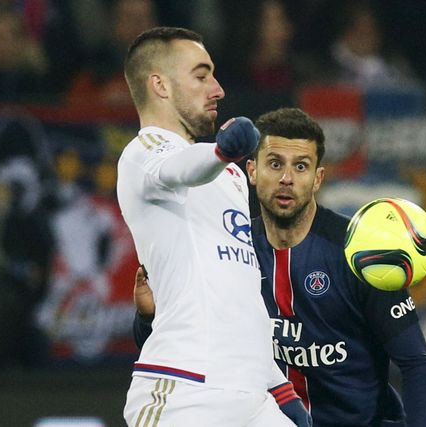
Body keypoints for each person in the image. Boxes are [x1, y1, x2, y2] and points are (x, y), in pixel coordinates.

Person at [134, 107, 426, 426]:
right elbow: (177, 351)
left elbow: (417, 364)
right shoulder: (227, 249)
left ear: (317, 178)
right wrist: (149, 318)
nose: (286, 178)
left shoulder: (360, 253)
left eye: (301, 166)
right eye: (275, 163)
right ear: (251, 171)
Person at [116, 27, 310, 426]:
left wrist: (278, 388)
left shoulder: (233, 179)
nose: (218, 89)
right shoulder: (143, 154)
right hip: (184, 393)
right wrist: (222, 151)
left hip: (252, 395)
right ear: (160, 85)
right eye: (202, 76)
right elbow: (178, 168)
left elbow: (238, 292)